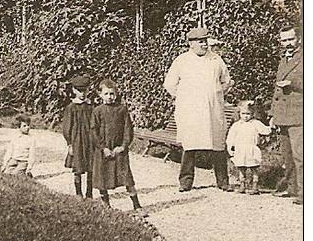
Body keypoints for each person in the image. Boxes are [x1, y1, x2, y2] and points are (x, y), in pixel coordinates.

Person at [163, 26, 233, 192]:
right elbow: (169, 84)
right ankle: (186, 181)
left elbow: (227, 81)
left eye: (205, 40)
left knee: (217, 144)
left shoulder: (216, 60)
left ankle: (223, 181)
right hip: (191, 111)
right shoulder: (182, 60)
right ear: (191, 44)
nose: (203, 44)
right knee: (190, 144)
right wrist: (184, 98)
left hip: (213, 110)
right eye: (199, 41)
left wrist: (216, 93)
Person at [92, 79, 146, 216]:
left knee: (127, 178)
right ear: (100, 95)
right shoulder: (97, 111)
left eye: (112, 94)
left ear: (116, 94)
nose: (109, 97)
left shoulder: (122, 109)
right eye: (106, 94)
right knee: (103, 178)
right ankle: (106, 205)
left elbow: (128, 129)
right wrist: (103, 148)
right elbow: (94, 132)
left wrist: (123, 146)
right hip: (104, 151)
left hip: (119, 150)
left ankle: (137, 205)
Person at [270, 25, 303, 205]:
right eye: (284, 40)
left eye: (291, 39)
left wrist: (294, 83)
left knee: (301, 155)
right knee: (288, 156)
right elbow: (276, 89)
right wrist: (273, 113)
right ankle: (292, 188)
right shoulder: (284, 59)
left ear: (298, 38)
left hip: (299, 114)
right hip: (283, 114)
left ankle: (305, 192)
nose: (288, 44)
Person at [226, 100, 271, 195]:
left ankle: (255, 185)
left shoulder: (255, 123)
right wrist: (230, 147)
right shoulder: (236, 125)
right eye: (243, 113)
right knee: (241, 168)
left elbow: (265, 130)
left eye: (248, 114)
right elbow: (231, 137)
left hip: (251, 149)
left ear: (252, 114)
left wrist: (271, 126)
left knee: (254, 167)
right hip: (240, 149)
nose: (246, 116)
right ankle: (242, 184)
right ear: (239, 113)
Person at [61, 75, 94, 198]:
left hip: (90, 141)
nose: (82, 93)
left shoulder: (90, 106)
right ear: (74, 90)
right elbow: (66, 127)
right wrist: (70, 143)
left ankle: (89, 193)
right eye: (79, 90)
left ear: (88, 90)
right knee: (78, 167)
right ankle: (78, 193)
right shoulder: (71, 108)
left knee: (91, 167)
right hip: (77, 141)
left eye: (85, 90)